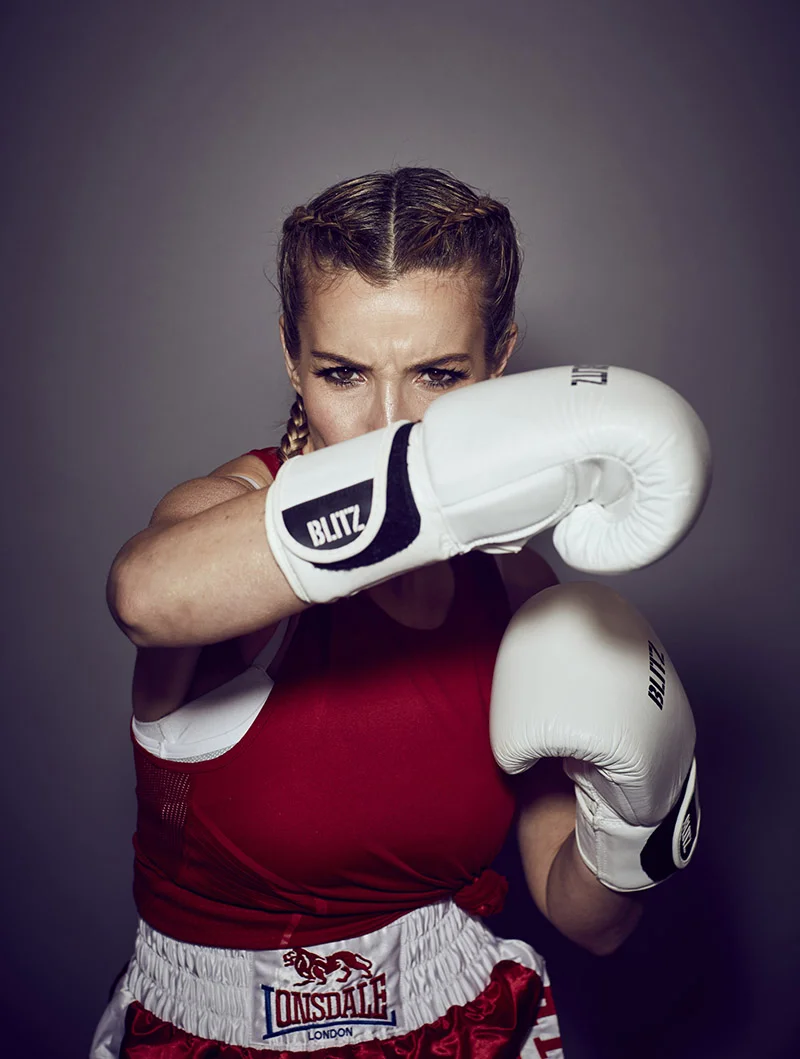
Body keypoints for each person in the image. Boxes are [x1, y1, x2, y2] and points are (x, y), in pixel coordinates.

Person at [92, 166, 706, 1058]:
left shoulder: (512, 595)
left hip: (458, 1018)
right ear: (289, 356)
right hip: (215, 1033)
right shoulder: (221, 522)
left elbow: (590, 920)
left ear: (501, 361)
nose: (386, 423)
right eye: (341, 372)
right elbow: (143, 595)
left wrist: (641, 819)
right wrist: (445, 474)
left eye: (438, 374)